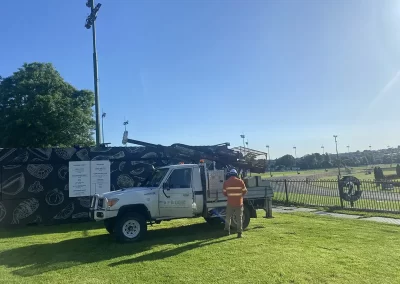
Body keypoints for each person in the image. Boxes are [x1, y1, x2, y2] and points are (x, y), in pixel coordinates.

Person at [223, 168, 248, 238]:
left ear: (230, 174)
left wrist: (230, 195)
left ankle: (227, 231)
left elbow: (224, 193)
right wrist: (240, 196)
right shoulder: (241, 182)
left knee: (228, 217)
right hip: (239, 203)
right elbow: (245, 191)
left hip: (230, 203)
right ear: (236, 174)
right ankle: (239, 233)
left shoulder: (226, 182)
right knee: (239, 218)